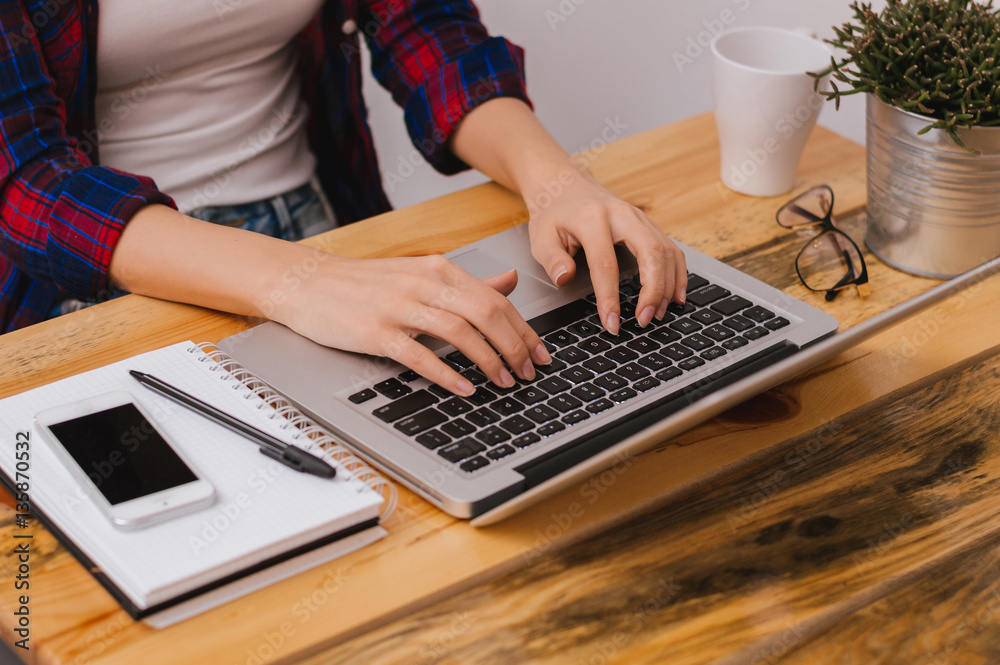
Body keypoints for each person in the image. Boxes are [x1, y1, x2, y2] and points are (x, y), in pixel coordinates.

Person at [0, 0, 687, 397]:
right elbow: (30, 183)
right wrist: (301, 284)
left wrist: (555, 181)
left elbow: (426, 29)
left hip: (322, 226)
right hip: (99, 273)